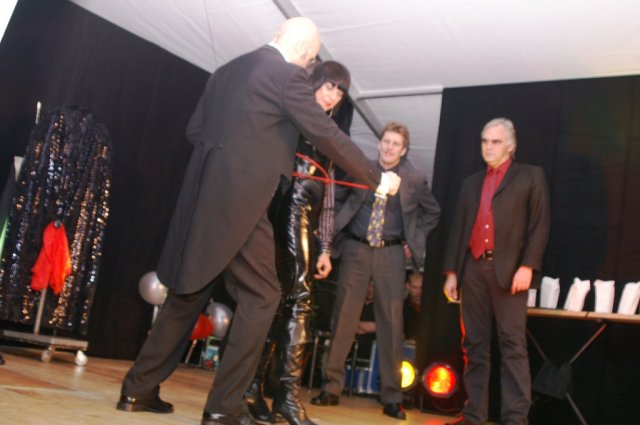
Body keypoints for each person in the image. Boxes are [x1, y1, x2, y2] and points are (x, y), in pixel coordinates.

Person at [116, 17, 401, 425]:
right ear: (304, 52)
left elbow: (195, 130)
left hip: (203, 199)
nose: (308, 65)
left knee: (187, 295)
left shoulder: (225, 71)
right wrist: (378, 179)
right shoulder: (287, 76)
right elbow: (326, 133)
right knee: (263, 295)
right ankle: (223, 407)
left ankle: (137, 389)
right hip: (243, 204)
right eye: (311, 58)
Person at [244, 60, 353, 425]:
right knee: (299, 300)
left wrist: (326, 248)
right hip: (286, 208)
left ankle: (255, 388)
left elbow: (328, 196)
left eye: (340, 91)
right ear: (314, 82)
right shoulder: (295, 114)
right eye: (329, 86)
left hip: (306, 217)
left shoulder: (329, 131)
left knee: (283, 303)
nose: (333, 95)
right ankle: (285, 398)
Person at [311, 122, 440, 420]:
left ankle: (393, 397)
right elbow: (336, 199)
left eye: (396, 144)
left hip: (391, 254)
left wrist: (413, 241)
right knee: (343, 319)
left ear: (404, 150)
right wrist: (335, 232)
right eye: (386, 141)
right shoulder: (361, 168)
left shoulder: (414, 179)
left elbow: (432, 212)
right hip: (355, 249)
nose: (390, 147)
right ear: (380, 143)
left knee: (392, 324)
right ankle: (331, 388)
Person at [442, 118, 550, 425]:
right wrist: (452, 272)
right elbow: (459, 229)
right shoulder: (471, 182)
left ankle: (515, 418)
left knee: (512, 345)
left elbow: (540, 225)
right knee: (474, 345)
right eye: (485, 141)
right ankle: (474, 415)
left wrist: (527, 266)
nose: (488, 147)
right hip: (474, 269)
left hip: (509, 271)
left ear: (511, 147)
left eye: (496, 142)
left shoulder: (530, 176)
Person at [403, 272, 423, 341]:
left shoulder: (433, 307)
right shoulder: (402, 308)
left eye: (421, 287)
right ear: (407, 286)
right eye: (415, 287)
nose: (418, 291)